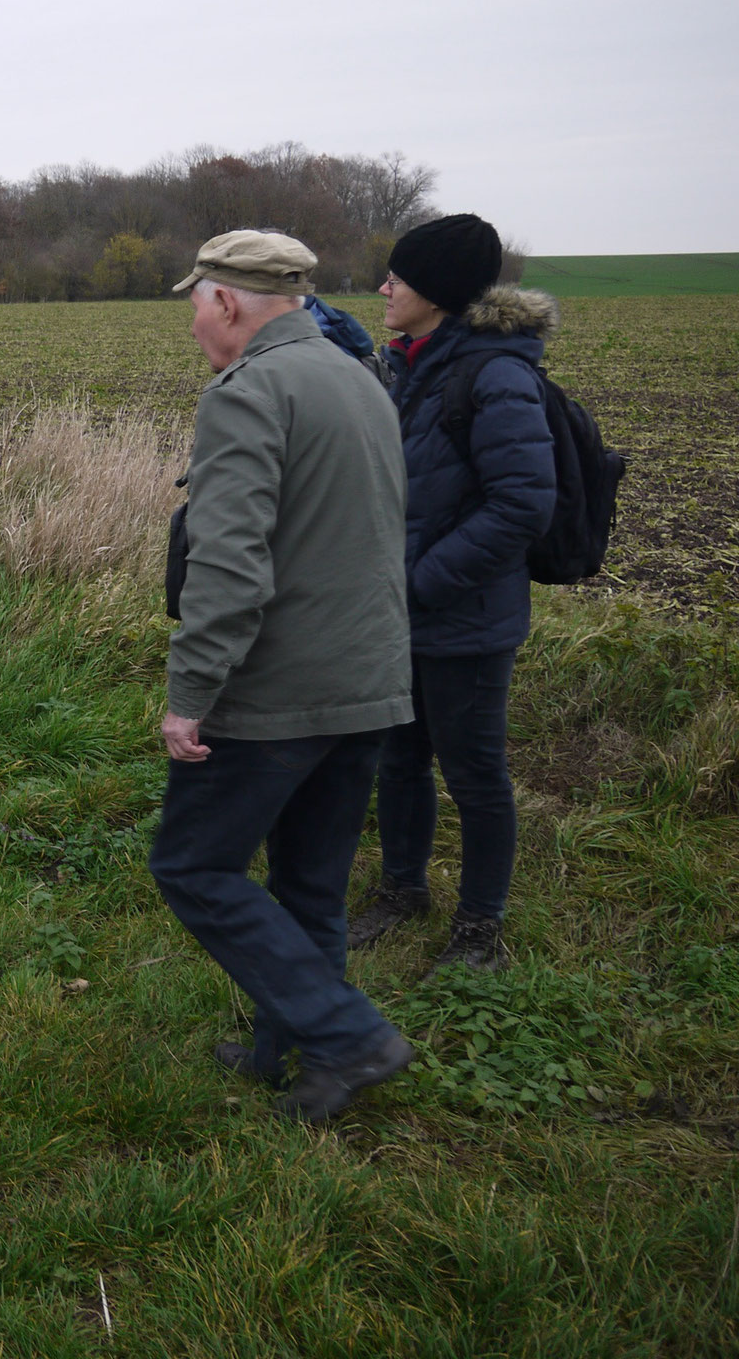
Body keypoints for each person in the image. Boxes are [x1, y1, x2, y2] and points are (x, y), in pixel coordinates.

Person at [150, 230, 417, 1123]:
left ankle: (346, 1034)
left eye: (197, 302)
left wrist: (191, 698)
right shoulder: (360, 377)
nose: (193, 321)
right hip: (369, 678)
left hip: (277, 692)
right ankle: (292, 1055)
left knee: (194, 866)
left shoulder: (248, 392)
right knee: (310, 881)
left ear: (227, 301)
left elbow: (228, 568)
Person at [348, 214, 557, 970]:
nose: (384, 287)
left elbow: (523, 504)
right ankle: (401, 892)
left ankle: (479, 931)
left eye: (397, 278)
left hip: (464, 614)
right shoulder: (409, 362)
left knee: (475, 775)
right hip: (403, 610)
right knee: (398, 760)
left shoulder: (494, 373)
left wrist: (419, 583)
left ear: (434, 291)